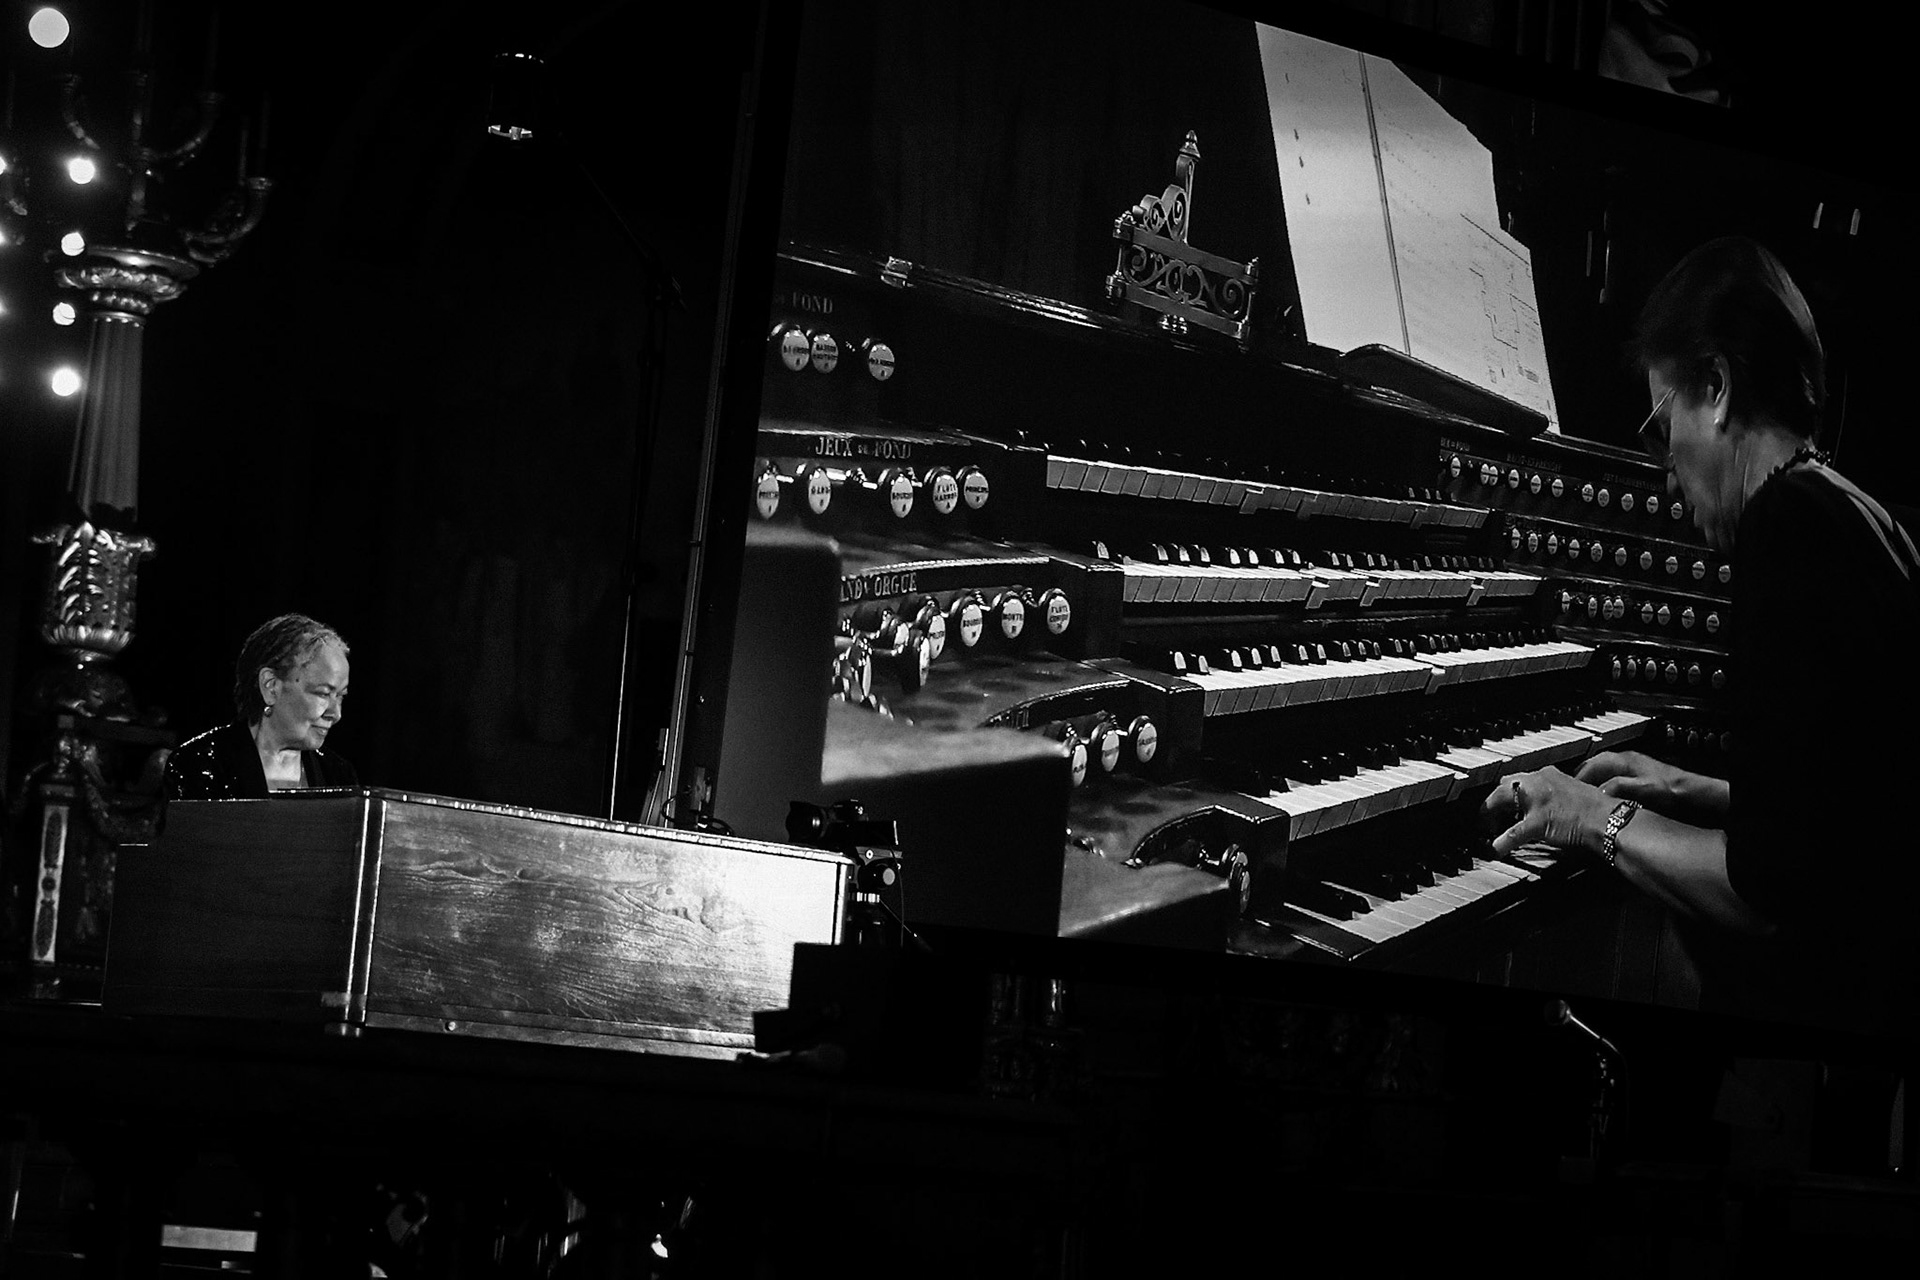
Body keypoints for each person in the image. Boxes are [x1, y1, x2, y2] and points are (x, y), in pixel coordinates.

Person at [1481, 236, 1920, 1040]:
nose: (1662, 468)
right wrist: (1683, 789)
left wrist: (1588, 816)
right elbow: (1844, 819)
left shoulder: (1786, 530)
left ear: (1715, 387)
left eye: (1661, 425)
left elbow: (1766, 893)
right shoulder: (1860, 513)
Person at [165, 614, 360, 800]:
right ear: (271, 686)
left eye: (341, 696)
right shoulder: (200, 765)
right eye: (323, 694)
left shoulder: (338, 775)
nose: (336, 714)